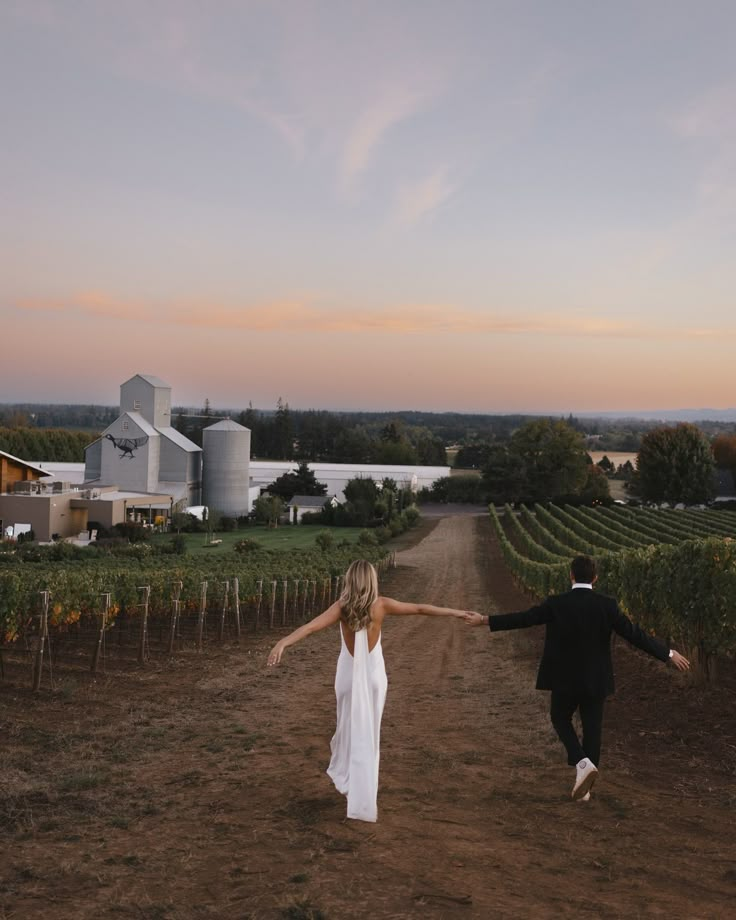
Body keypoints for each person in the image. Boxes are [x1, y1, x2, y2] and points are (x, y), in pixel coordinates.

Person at [463, 554, 690, 801]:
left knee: (559, 717)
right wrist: (667, 653)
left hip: (564, 678)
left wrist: (484, 620)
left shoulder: (557, 603)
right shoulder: (607, 605)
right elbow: (635, 635)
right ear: (595, 578)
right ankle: (586, 789)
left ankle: (582, 764)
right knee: (593, 730)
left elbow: (524, 619)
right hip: (596, 679)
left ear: (570, 575)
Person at [267, 559, 474, 822]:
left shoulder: (341, 608)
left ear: (350, 580)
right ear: (372, 580)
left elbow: (309, 628)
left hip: (347, 678)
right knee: (369, 735)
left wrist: (282, 643)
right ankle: (364, 792)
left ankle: (348, 778)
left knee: (348, 730)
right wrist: (455, 612)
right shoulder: (382, 605)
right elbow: (421, 608)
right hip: (374, 678)